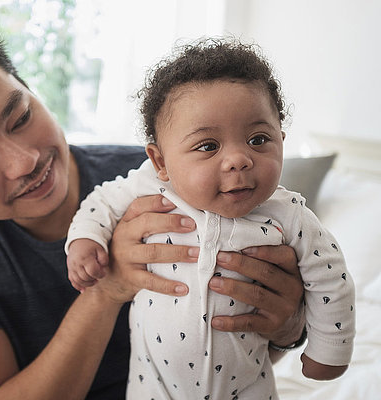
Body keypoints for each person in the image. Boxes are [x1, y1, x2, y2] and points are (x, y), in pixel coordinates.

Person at [0, 5, 306, 400]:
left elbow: (244, 346)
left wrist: (287, 329)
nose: (24, 161)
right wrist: (106, 291)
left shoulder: (167, 180)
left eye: (21, 117)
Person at [65, 39, 355, 399]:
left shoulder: (289, 215)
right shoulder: (150, 187)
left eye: (258, 139)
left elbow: (332, 278)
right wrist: (85, 239)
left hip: (247, 387)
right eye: (208, 146)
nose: (238, 159)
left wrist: (329, 350)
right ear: (161, 162)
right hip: (154, 386)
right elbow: (101, 202)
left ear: (281, 140)